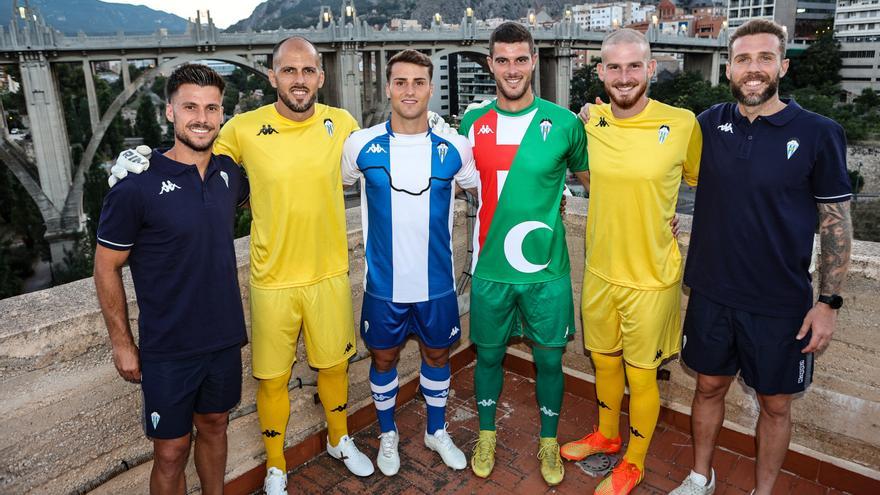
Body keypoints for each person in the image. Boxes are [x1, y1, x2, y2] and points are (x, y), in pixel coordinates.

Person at [111, 37, 373, 495]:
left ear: (321, 77)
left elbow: (386, 151)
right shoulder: (242, 128)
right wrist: (143, 160)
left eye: (307, 71)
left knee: (335, 368)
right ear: (272, 77)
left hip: (329, 272)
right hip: (271, 279)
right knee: (271, 378)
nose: (298, 80)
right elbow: (194, 151)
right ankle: (275, 465)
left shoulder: (344, 122)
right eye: (288, 71)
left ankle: (339, 438)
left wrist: (430, 128)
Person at [671, 19, 852, 495]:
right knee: (707, 387)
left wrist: (828, 302)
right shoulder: (706, 124)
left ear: (783, 66)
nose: (754, 69)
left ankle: (763, 491)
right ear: (729, 68)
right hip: (711, 292)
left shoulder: (820, 133)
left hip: (780, 302)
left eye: (765, 58)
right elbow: (655, 161)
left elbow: (836, 223)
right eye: (744, 59)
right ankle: (699, 477)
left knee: (775, 404)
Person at [559, 29, 703, 495]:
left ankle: (634, 461)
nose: (624, 77)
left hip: (651, 279)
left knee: (641, 376)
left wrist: (678, 220)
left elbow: (708, 184)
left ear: (650, 69)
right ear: (600, 72)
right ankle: (606, 433)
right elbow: (583, 171)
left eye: (634, 66)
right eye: (614, 67)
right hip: (600, 270)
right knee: (603, 362)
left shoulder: (682, 123)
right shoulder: (590, 120)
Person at [93, 64, 249, 495]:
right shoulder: (135, 185)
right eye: (190, 107)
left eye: (212, 108)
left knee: (216, 425)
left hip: (222, 337)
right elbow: (105, 266)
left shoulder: (229, 176)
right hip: (168, 348)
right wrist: (122, 343)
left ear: (222, 115)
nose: (201, 117)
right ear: (170, 112)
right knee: (170, 451)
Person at [461, 22, 589, 487]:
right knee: (489, 358)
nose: (512, 69)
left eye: (521, 59)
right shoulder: (471, 123)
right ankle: (487, 434)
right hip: (491, 268)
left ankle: (550, 440)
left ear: (534, 60)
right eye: (502, 60)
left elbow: (595, 186)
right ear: (491, 65)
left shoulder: (567, 123)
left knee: (551, 361)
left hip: (545, 270)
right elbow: (455, 185)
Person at [340, 49, 479, 476]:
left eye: (418, 82)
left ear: (431, 88)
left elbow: (478, 193)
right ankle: (387, 434)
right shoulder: (359, 145)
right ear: (387, 86)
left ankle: (435, 431)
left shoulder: (456, 147)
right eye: (400, 81)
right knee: (383, 360)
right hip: (384, 286)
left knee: (438, 356)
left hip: (436, 285)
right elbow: (343, 186)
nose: (409, 90)